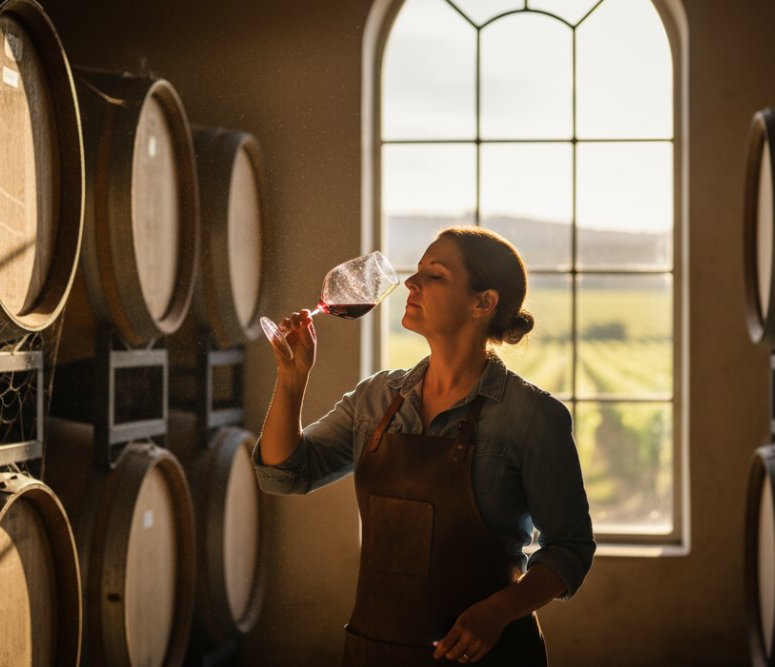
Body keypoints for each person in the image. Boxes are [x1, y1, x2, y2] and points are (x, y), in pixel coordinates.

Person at [254, 226, 595, 666]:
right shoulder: (374, 399)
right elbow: (284, 474)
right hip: (374, 651)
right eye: (417, 272)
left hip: (486, 655)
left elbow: (570, 548)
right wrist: (291, 379)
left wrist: (497, 612)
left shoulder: (532, 418)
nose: (410, 284)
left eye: (434, 275)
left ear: (483, 303)